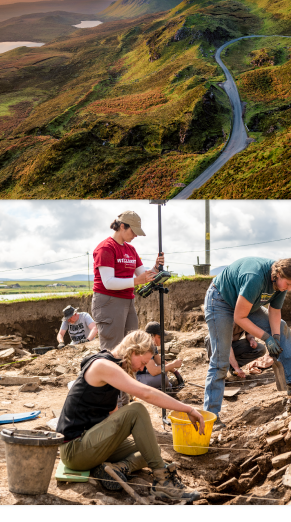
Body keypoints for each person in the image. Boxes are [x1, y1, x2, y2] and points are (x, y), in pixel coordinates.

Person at [57, 330, 204, 502]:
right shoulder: (103, 365)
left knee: (151, 449)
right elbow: (146, 393)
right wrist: (188, 409)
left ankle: (118, 468)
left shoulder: (113, 368)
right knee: (137, 409)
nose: (142, 368)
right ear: (133, 351)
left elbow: (113, 414)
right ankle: (163, 482)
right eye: (142, 362)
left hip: (90, 443)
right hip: (75, 450)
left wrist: (133, 432)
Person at [204, 257, 291, 427]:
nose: (289, 289)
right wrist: (266, 338)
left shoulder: (281, 283)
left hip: (248, 304)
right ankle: (210, 415)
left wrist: (275, 337)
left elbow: (275, 311)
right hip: (220, 300)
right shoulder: (255, 277)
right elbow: (239, 317)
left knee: (281, 328)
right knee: (221, 359)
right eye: (288, 284)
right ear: (277, 274)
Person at [91, 211, 164, 351]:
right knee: (113, 348)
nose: (136, 235)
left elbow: (143, 275)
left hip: (127, 300)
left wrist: (156, 268)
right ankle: (109, 372)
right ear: (122, 226)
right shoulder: (106, 248)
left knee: (131, 346)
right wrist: (136, 281)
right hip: (109, 302)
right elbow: (108, 282)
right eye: (133, 231)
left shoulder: (131, 249)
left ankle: (126, 373)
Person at [135, 322, 184, 389]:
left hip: (142, 375)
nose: (162, 339)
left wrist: (176, 372)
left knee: (165, 369)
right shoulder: (145, 346)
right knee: (163, 378)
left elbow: (160, 361)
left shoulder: (152, 345)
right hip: (134, 379)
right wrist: (173, 364)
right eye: (159, 337)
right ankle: (169, 387)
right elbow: (153, 371)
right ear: (151, 336)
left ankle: (166, 386)